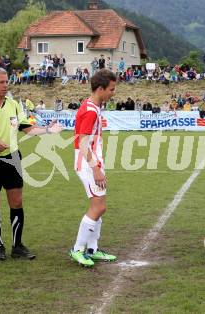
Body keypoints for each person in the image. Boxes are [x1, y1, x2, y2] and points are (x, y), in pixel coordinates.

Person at [0, 67, 62, 261]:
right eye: (2, 82)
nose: (6, 85)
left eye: (7, 81)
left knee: (17, 201)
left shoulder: (13, 104)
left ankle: (17, 246)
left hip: (12, 158)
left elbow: (27, 129)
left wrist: (48, 130)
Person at [69, 69, 117, 267]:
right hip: (88, 164)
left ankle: (92, 249)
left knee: (100, 207)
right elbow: (82, 143)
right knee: (98, 207)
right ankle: (78, 249)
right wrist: (95, 168)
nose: (113, 93)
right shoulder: (90, 110)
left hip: (94, 162)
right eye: (111, 89)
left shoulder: (94, 107)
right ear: (100, 89)